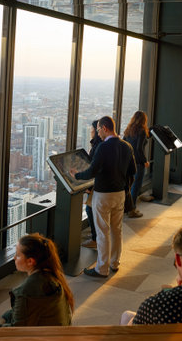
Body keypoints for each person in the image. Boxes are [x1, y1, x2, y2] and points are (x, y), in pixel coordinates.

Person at [71, 116, 136, 278]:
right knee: (116, 230)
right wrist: (125, 188)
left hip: (103, 195)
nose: (98, 133)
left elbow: (92, 172)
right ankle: (114, 263)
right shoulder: (127, 146)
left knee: (102, 232)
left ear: (105, 128)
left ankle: (102, 268)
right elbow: (132, 171)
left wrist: (76, 175)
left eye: (99, 129)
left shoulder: (103, 148)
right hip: (120, 194)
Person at [0, 234, 74, 327]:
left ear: (30, 261)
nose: (14, 258)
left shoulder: (27, 291)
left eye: (17, 255)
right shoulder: (53, 277)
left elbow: (16, 332)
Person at [124, 110, 152, 218]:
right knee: (136, 186)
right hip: (138, 163)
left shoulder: (128, 130)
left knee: (128, 186)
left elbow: (124, 144)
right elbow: (139, 149)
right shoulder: (142, 131)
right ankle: (132, 209)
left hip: (127, 161)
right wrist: (144, 161)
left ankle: (125, 208)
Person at [82, 120, 102, 249]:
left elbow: (93, 169)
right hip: (100, 184)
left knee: (90, 209)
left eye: (92, 130)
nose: (91, 132)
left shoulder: (97, 147)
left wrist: (88, 187)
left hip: (96, 185)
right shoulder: (102, 145)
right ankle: (97, 237)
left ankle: (96, 238)